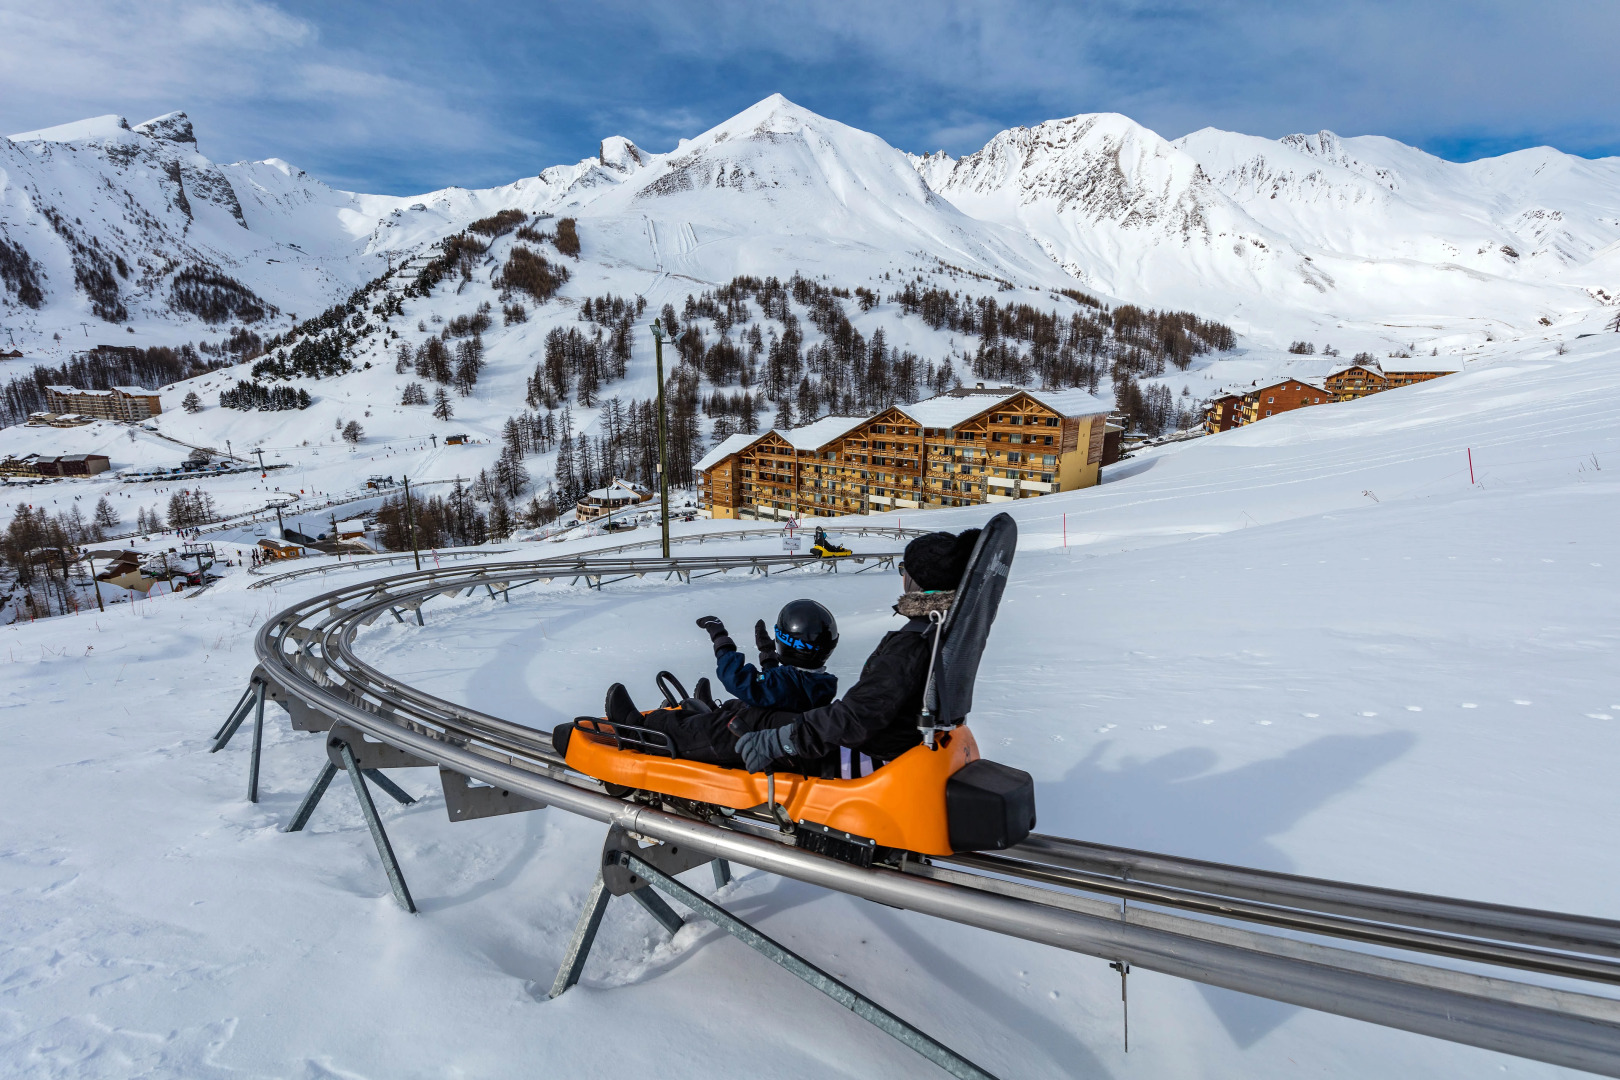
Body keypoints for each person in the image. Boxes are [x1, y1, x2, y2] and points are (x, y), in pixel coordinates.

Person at [559, 527, 980, 777]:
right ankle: (707, 720)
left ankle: (643, 732)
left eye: (903, 569)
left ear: (917, 581)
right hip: (869, 750)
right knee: (756, 714)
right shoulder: (935, 635)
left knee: (745, 722)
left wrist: (784, 740)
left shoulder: (914, 643)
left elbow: (855, 718)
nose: (900, 576)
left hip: (856, 760)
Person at [693, 601, 838, 712]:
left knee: (738, 714)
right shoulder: (821, 683)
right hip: (781, 726)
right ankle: (713, 711)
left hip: (754, 739)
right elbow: (774, 691)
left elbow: (735, 678)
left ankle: (706, 718)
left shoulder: (787, 682)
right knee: (735, 705)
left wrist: (719, 637)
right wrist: (768, 655)